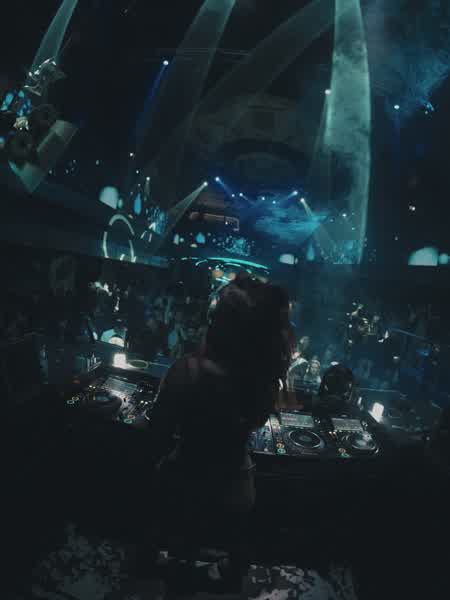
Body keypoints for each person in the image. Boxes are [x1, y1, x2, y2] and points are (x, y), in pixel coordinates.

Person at [139, 274, 292, 592]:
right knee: (235, 541)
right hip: (238, 486)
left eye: (215, 313)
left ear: (222, 324)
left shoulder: (187, 371)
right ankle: (230, 576)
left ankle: (170, 571)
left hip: (187, 480)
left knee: (180, 537)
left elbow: (157, 435)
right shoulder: (263, 380)